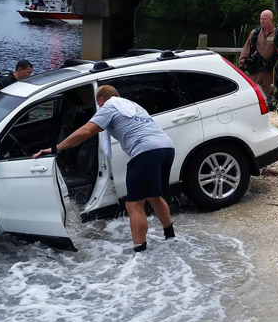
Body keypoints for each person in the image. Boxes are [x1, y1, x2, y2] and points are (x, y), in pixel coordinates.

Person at [33, 85, 175, 253]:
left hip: (146, 151)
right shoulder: (133, 106)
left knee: (134, 204)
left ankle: (140, 252)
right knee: (154, 196)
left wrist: (56, 148)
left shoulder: (109, 106)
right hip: (167, 148)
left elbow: (86, 131)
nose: (98, 108)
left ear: (101, 99)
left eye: (98, 104)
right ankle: (170, 236)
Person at [239, 9, 278, 104]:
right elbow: (246, 49)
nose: (262, 21)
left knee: (267, 98)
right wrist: (241, 65)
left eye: (264, 19)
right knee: (254, 95)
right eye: (261, 19)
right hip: (255, 71)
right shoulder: (255, 33)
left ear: (271, 20)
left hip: (270, 72)